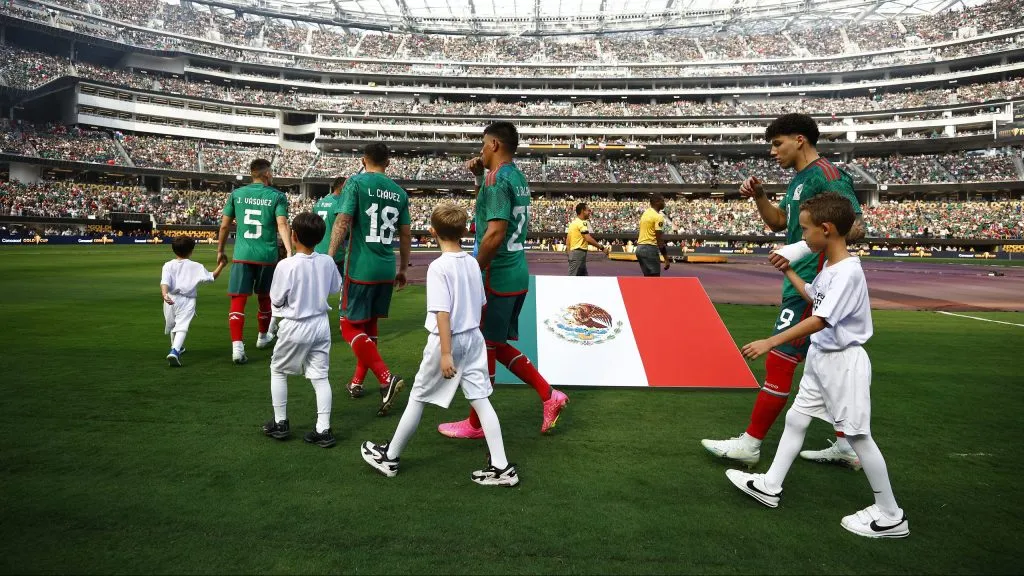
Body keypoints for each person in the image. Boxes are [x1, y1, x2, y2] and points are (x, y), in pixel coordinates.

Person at [725, 193, 908, 539]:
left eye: (806, 230)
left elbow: (821, 319)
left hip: (843, 362)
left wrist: (771, 341)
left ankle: (890, 515)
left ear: (826, 230)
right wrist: (790, 270)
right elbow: (815, 297)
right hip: (821, 359)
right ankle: (769, 485)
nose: (803, 236)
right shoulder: (830, 267)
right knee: (796, 419)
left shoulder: (847, 273)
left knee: (857, 435)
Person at [702, 113, 865, 468]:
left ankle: (750, 444)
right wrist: (760, 195)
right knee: (824, 369)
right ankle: (847, 446)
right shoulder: (799, 181)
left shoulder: (828, 176)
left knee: (780, 359)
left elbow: (855, 228)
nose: (773, 152)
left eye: (778, 144)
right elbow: (778, 222)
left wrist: (802, 250)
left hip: (815, 284)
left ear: (800, 139)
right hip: (799, 278)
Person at [360, 204, 518, 486]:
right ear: (466, 230)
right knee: (481, 399)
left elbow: (442, 313)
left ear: (432, 232)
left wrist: (446, 352)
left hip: (449, 340)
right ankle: (501, 466)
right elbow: (481, 303)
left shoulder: (439, 267)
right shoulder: (472, 262)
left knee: (418, 397)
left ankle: (390, 458)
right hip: (473, 337)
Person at [437, 121, 569, 439]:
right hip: (515, 271)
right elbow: (488, 212)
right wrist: (478, 177)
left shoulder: (498, 179)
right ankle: (550, 395)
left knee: (484, 348)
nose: (480, 150)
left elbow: (494, 233)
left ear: (494, 144)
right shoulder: (516, 176)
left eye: (483, 144)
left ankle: (477, 424)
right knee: (496, 343)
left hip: (496, 274)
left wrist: (472, 271)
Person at [327, 143, 411, 416]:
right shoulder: (399, 192)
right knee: (369, 326)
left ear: (363, 160)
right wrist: (403, 269)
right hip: (386, 267)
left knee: (349, 327)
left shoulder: (355, 183)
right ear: (388, 162)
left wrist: (329, 257)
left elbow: (342, 222)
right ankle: (357, 381)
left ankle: (386, 379)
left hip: (361, 267)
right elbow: (406, 234)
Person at [261, 212, 343, 448]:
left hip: (296, 324)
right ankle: (323, 429)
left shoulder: (286, 265)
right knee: (320, 377)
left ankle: (280, 423)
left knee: (278, 370)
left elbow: (275, 301)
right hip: (320, 323)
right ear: (320, 237)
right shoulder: (327, 261)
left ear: (294, 236)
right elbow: (335, 288)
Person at [217, 158, 293, 365]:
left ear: (252, 173)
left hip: (242, 255)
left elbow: (224, 227)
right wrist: (288, 251)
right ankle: (262, 337)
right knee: (265, 298)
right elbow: (282, 224)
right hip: (266, 256)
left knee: (238, 301)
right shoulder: (277, 196)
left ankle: (237, 347)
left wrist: (220, 250)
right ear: (267, 174)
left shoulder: (237, 194)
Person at [160, 236, 226, 367]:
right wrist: (222, 265)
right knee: (182, 326)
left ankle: (177, 346)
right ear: (191, 251)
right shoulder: (196, 266)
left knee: (173, 325)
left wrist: (164, 294)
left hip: (170, 298)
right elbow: (212, 277)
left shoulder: (168, 265)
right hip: (187, 300)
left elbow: (165, 282)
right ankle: (175, 351)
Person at [566, 202, 609, 276]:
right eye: (588, 210)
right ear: (583, 211)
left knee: (584, 279)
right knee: (572, 279)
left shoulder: (573, 223)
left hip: (577, 254)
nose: (590, 212)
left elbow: (567, 241)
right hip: (578, 254)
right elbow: (588, 238)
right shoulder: (582, 223)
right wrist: (602, 248)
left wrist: (569, 254)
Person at [635, 193, 669, 277]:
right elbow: (659, 240)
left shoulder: (646, 213)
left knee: (648, 279)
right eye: (662, 201)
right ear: (657, 202)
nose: (664, 203)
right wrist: (666, 258)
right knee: (655, 280)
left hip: (639, 249)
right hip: (649, 249)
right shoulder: (658, 216)